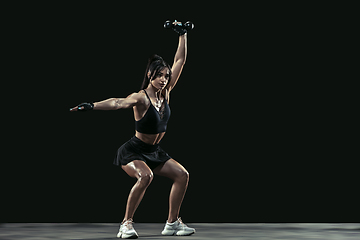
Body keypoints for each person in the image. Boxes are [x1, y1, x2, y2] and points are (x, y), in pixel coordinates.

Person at [70, 21, 195, 239]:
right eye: (160, 76)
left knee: (182, 175)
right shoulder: (141, 97)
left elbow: (180, 60)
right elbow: (118, 103)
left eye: (166, 76)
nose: (164, 80)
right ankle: (125, 224)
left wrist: (182, 35)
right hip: (134, 151)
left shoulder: (165, 93)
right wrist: (92, 106)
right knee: (145, 176)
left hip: (155, 151)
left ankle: (172, 223)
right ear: (150, 75)